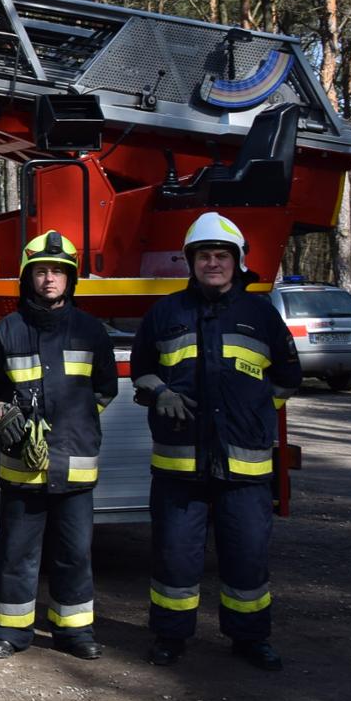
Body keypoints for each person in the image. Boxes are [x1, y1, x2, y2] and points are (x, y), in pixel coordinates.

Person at [131, 211, 298, 671]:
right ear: (191, 261)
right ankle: (169, 636)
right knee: (174, 559)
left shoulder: (260, 314)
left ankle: (250, 639)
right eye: (204, 255)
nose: (213, 263)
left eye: (221, 255)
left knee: (247, 559)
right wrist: (160, 391)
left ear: (237, 261)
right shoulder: (166, 312)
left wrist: (258, 414)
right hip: (178, 469)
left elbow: (287, 377)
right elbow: (141, 367)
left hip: (244, 470)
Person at [0, 231, 117, 661]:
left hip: (74, 469)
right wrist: (4, 415)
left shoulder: (92, 331)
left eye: (58, 271)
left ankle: (74, 633)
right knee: (17, 555)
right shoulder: (8, 330)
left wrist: (74, 424)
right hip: (23, 469)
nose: (50, 278)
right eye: (41, 271)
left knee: (74, 555)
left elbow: (105, 390)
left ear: (71, 279)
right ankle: (10, 632)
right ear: (28, 278)